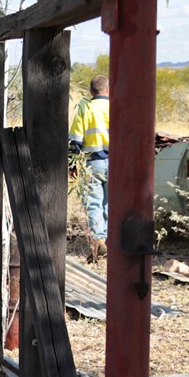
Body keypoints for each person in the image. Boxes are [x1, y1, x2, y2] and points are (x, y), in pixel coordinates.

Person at [69, 74, 110, 259]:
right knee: (110, 204)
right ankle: (110, 241)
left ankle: (99, 241)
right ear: (108, 90)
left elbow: (75, 140)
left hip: (93, 163)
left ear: (91, 91)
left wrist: (72, 165)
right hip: (115, 163)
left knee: (94, 203)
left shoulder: (86, 108)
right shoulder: (116, 107)